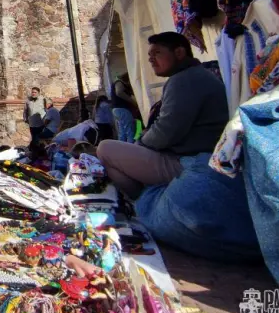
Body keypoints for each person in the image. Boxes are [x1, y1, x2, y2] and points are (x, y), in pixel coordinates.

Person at [97, 32, 229, 199]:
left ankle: (142, 203)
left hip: (191, 161)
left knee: (105, 149)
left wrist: (141, 142)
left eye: (157, 53)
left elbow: (166, 132)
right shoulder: (195, 75)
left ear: (179, 53)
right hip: (195, 155)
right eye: (149, 55)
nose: (151, 59)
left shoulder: (185, 80)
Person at [111, 72, 139, 143]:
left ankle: (121, 148)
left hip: (116, 110)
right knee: (130, 131)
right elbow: (119, 92)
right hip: (122, 109)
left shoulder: (117, 82)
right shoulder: (119, 82)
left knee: (122, 132)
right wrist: (133, 102)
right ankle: (131, 149)